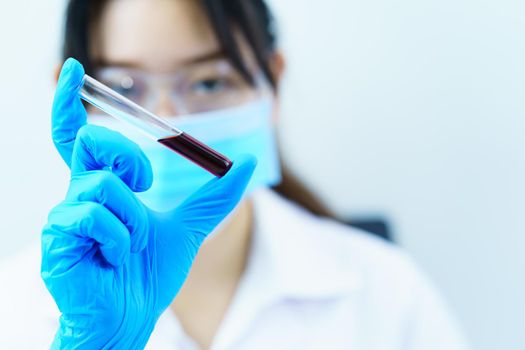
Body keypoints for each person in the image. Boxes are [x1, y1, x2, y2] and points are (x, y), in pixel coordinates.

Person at [0, 0, 470, 349]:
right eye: (124, 87)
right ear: (68, 95)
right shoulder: (13, 310)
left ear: (272, 83)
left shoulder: (386, 294)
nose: (165, 119)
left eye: (208, 82)